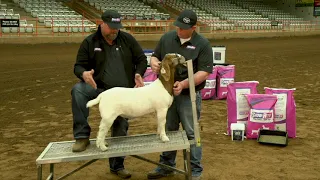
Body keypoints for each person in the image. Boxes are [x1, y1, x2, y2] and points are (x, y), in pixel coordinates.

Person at [71, 10, 147, 179]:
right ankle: (82, 136)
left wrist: (138, 73)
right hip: (97, 88)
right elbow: (78, 66)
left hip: (122, 94)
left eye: (117, 28)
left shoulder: (127, 39)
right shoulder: (90, 42)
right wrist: (84, 74)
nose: (115, 31)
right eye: (112, 27)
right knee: (78, 91)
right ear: (102, 24)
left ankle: (117, 165)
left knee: (120, 125)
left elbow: (141, 59)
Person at [147, 9, 213, 180]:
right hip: (165, 94)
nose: (179, 30)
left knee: (192, 132)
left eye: (183, 28)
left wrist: (183, 84)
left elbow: (204, 72)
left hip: (188, 95)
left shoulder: (203, 44)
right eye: (178, 26)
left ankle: (195, 170)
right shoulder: (167, 38)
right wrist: (153, 62)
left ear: (194, 27)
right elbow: (155, 56)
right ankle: (166, 165)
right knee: (168, 129)